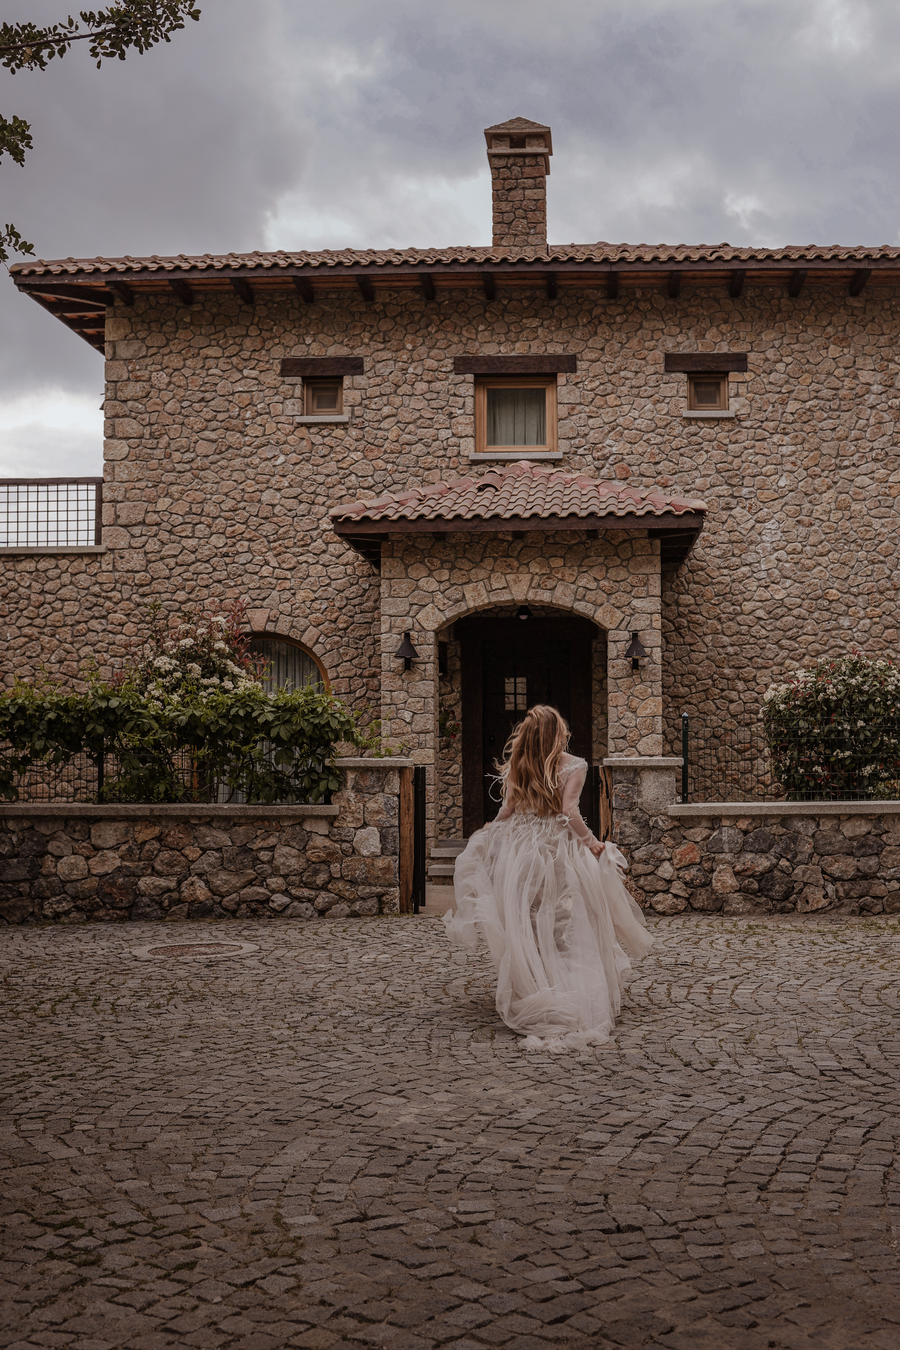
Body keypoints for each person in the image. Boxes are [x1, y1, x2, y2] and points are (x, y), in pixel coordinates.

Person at [443, 704, 653, 1053]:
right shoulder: (574, 766)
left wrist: (490, 831)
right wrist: (592, 843)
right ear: (558, 733)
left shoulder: (517, 765)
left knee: (525, 918)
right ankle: (562, 985)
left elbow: (506, 811)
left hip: (519, 851)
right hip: (555, 850)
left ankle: (536, 983)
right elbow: (568, 811)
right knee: (561, 919)